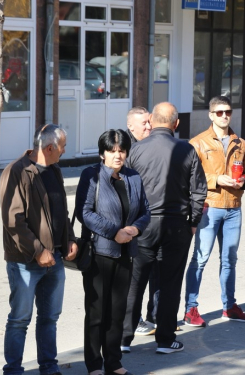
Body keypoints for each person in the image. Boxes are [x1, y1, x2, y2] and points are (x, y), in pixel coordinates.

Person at [121, 102, 207, 354]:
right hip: (175, 225)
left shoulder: (135, 150)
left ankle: (124, 338)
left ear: (151, 121)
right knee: (170, 282)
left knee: (135, 282)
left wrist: (129, 224)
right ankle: (166, 339)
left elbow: (124, 189)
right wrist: (193, 222)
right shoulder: (186, 149)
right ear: (176, 124)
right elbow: (199, 191)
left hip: (142, 225)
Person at [0, 124, 78, 375]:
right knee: (20, 319)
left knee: (49, 318)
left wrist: (70, 239)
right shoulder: (17, 171)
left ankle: (49, 366)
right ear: (49, 147)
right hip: (26, 260)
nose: (65, 151)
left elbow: (61, 211)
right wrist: (37, 251)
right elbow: (13, 220)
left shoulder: (54, 169)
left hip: (54, 258)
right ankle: (12, 370)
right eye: (62, 146)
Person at [75, 129, 151, 375]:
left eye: (121, 150)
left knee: (118, 312)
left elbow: (145, 211)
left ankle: (114, 362)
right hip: (99, 253)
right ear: (102, 153)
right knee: (97, 313)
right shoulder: (91, 175)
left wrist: (135, 229)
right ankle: (94, 365)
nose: (117, 155)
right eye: (112, 150)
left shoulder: (133, 177)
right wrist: (114, 232)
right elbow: (84, 213)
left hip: (126, 252)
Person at [184, 96, 245, 327]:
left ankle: (229, 306)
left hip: (234, 208)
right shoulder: (198, 142)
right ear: (210, 115)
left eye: (227, 112)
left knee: (229, 260)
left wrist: (243, 181)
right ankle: (190, 309)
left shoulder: (240, 143)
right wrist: (217, 179)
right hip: (209, 207)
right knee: (201, 258)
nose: (224, 116)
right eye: (219, 112)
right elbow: (189, 176)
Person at [125, 106, 158, 336]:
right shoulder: (125, 148)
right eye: (144, 123)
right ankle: (131, 323)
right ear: (130, 126)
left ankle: (151, 317)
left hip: (145, 220)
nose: (148, 126)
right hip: (130, 225)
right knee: (133, 279)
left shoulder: (149, 144)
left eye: (149, 122)